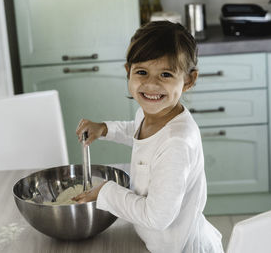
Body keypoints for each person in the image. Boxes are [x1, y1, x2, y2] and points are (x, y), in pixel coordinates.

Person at [73, 21, 224, 253]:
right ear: (128, 72)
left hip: (181, 247)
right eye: (142, 72)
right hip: (156, 243)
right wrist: (104, 128)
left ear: (188, 81)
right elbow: (137, 132)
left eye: (165, 74)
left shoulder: (177, 143)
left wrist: (106, 192)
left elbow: (157, 217)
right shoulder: (151, 114)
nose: (151, 84)